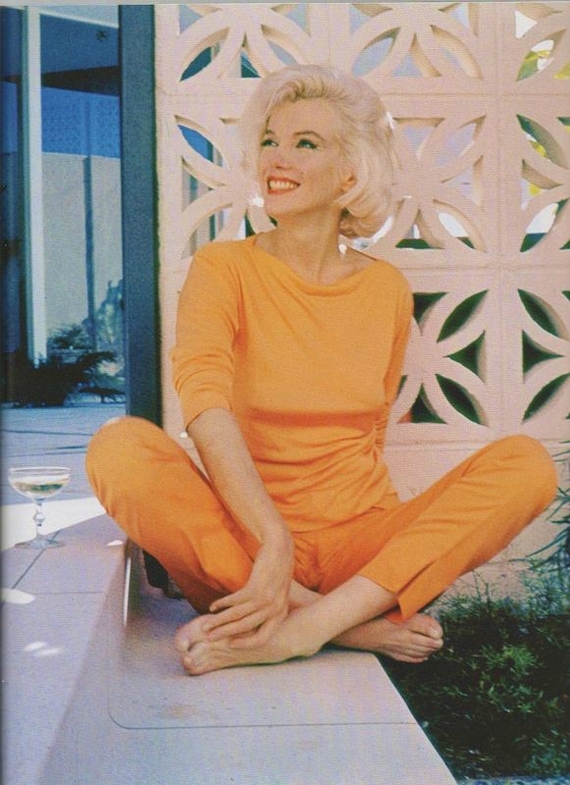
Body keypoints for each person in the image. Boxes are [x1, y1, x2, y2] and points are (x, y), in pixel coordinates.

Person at [86, 64, 557, 676]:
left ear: (351, 174)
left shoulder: (386, 289)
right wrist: (273, 541)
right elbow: (203, 403)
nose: (276, 158)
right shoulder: (222, 268)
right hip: (246, 558)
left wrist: (366, 565)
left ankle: (302, 629)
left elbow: (374, 431)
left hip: (359, 552)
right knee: (119, 447)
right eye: (269, 140)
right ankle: (340, 624)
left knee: (526, 465)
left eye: (305, 144)